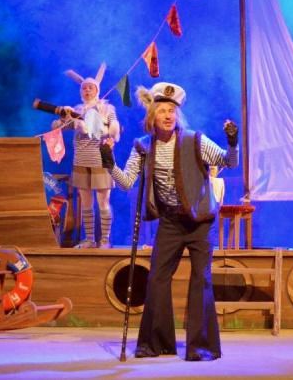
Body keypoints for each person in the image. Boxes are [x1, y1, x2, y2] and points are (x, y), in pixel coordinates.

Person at [100, 81, 238, 362]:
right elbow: (126, 182)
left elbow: (229, 161)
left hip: (200, 221)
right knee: (157, 278)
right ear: (152, 116)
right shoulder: (143, 146)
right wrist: (109, 163)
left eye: (171, 111)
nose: (168, 116)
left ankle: (201, 347)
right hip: (171, 222)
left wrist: (233, 143)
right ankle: (157, 342)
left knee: (201, 279)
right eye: (162, 110)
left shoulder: (195, 140)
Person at [53, 63, 120, 248]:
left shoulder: (107, 108)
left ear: (97, 90)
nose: (87, 90)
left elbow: (114, 129)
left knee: (103, 202)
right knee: (86, 203)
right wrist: (63, 119)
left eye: (91, 87)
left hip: (100, 159)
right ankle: (90, 239)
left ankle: (105, 239)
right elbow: (62, 127)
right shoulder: (77, 109)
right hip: (81, 159)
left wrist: (103, 129)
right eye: (84, 88)